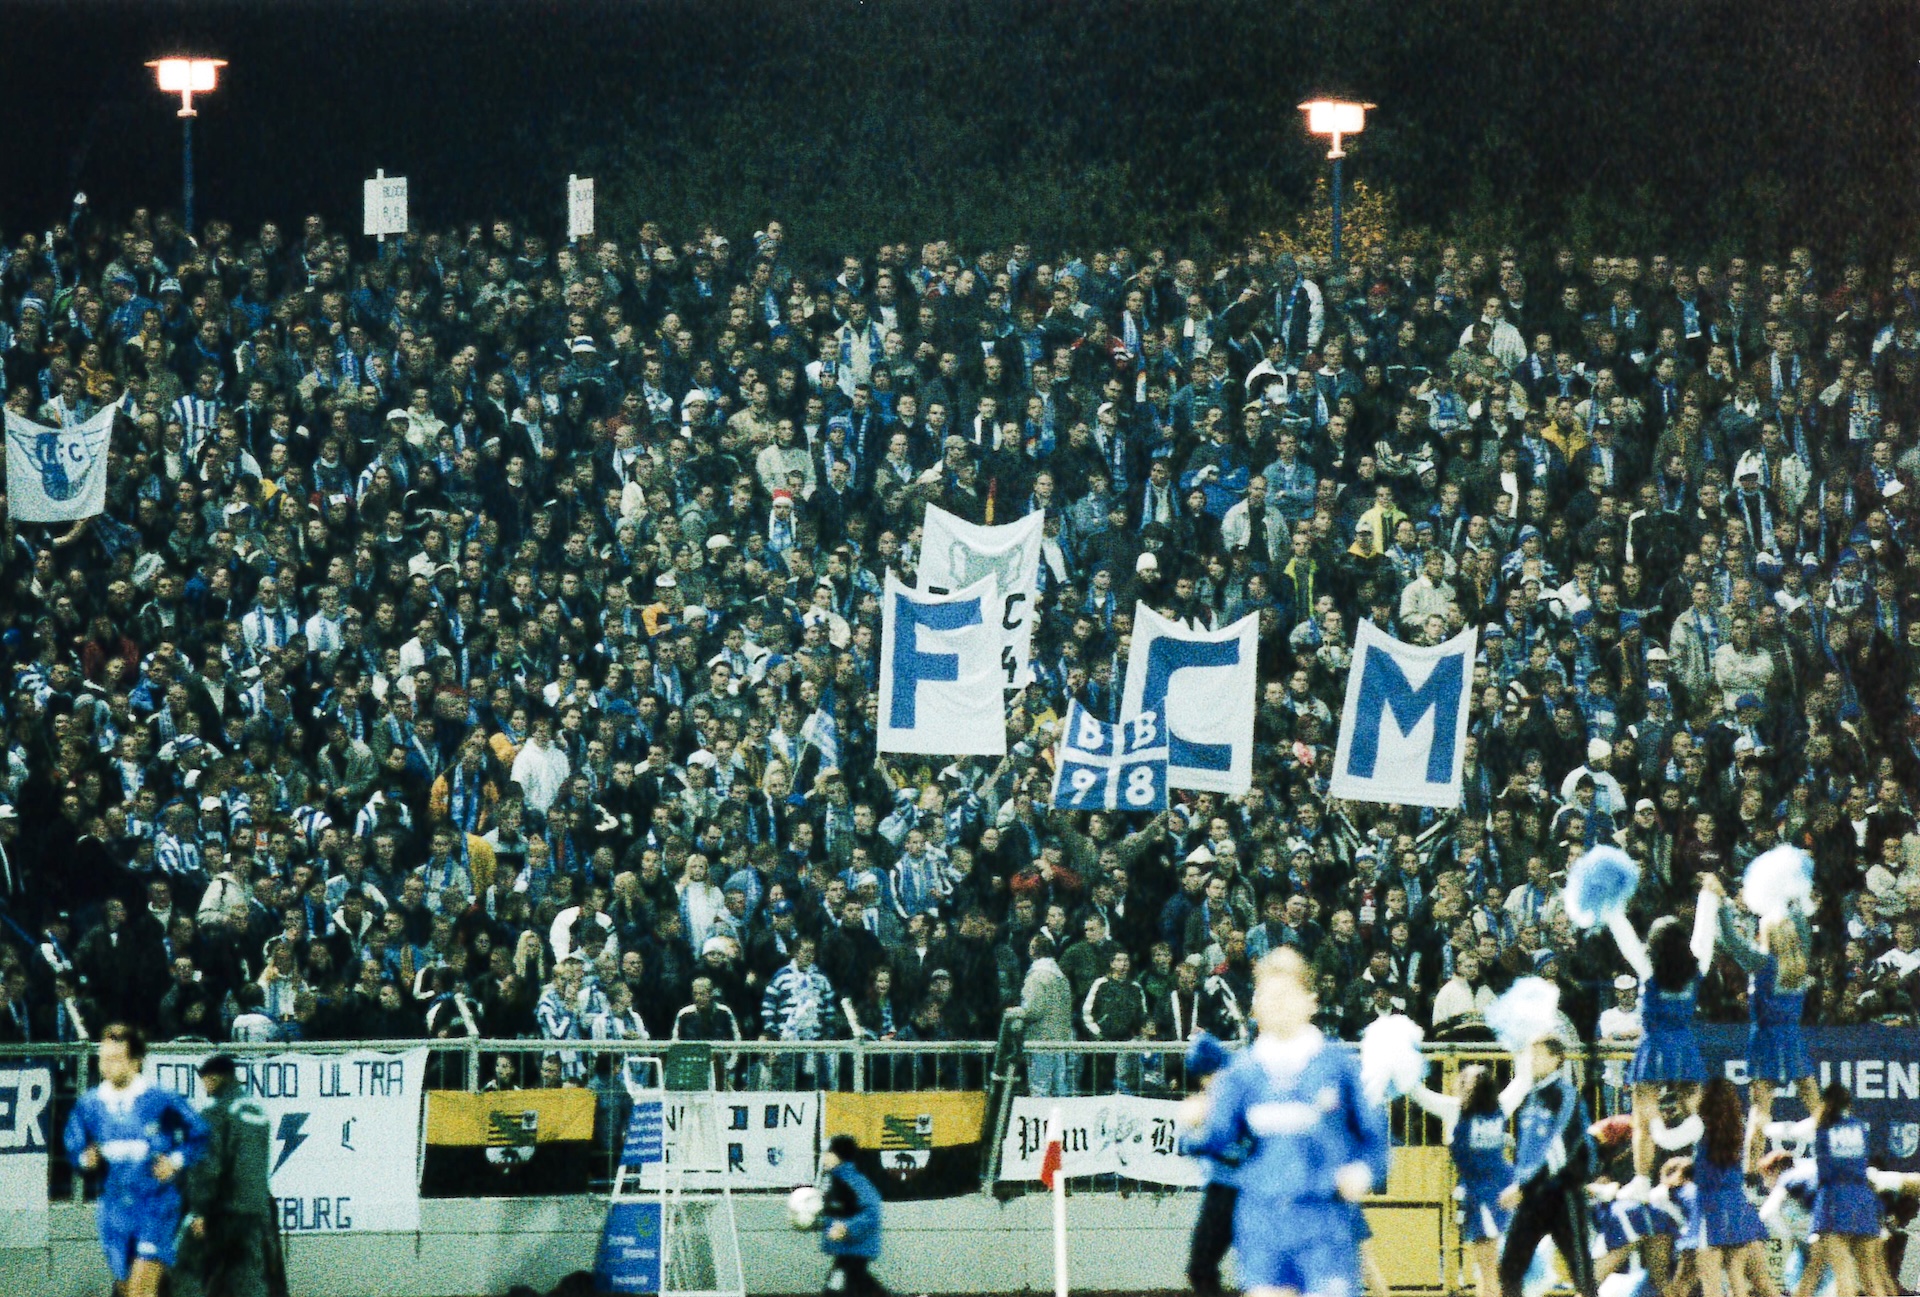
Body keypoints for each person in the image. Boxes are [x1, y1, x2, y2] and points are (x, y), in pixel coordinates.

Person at [1184, 948, 1388, 1297]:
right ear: (1255, 1005)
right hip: (1262, 1222)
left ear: (1310, 1001)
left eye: (1288, 993)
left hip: (1325, 1221)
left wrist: (1363, 1172)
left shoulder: (1338, 1067)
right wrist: (1191, 1127)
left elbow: (1375, 1142)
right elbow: (1215, 1140)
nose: (1277, 1002)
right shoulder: (1241, 1075)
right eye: (1267, 993)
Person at [62, 1024, 209, 1297]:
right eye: (103, 1059)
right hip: (114, 1208)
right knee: (126, 1288)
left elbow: (200, 1133)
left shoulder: (159, 1099)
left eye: (115, 1059)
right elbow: (75, 1146)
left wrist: (176, 1160)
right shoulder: (91, 1104)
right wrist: (85, 1160)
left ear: (135, 1061)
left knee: (143, 1288)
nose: (107, 1066)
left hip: (155, 1204)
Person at [1704, 872, 1819, 1170]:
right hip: (1792, 1039)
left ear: (1767, 934)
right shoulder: (1802, 957)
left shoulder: (1762, 962)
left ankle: (1750, 1172)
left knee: (1760, 1109)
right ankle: (1839, 1161)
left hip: (1766, 1040)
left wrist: (1723, 901)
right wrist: (1791, 896)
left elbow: (1730, 939)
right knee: (1817, 1108)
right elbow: (1803, 926)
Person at [1608, 888, 1716, 1196]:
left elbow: (1625, 938)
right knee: (1698, 1111)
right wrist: (1708, 896)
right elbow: (1704, 933)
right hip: (1684, 1044)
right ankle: (1708, 1172)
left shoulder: (1648, 968)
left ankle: (1642, 1179)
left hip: (1654, 1046)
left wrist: (1610, 906)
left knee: (1643, 1118)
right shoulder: (1697, 967)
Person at [174, 1054, 284, 1297]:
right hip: (255, 1209)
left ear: (215, 1077)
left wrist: (199, 1210)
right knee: (248, 1278)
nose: (205, 1087)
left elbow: (208, 1167)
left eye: (205, 1080)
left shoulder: (216, 1112)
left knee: (185, 1269)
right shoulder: (257, 1112)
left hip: (222, 1210)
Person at [1498, 1033, 1597, 1297]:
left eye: (1539, 1054)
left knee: (1580, 1269)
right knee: (1510, 1267)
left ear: (1556, 1059)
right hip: (1531, 1196)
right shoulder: (1530, 1095)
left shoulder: (1565, 1094)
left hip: (1562, 1194)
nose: (1532, 1061)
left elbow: (1559, 1150)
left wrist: (1525, 1186)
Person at [1408, 1065, 1519, 1297]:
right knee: (1487, 1271)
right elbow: (1522, 1082)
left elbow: (1418, 1093)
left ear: (1476, 1088)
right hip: (1499, 1193)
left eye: (1465, 1080)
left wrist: (1401, 1070)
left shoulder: (1455, 1111)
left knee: (1490, 1272)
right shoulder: (1499, 1108)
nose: (1458, 1082)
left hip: (1487, 1198)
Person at [1684, 1078, 1778, 1297]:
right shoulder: (1739, 1126)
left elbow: (1667, 1138)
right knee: (1747, 1282)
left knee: (1713, 1286)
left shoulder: (1699, 1127)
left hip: (1710, 1208)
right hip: (1738, 1207)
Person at [1180, 1032, 1242, 1297]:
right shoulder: (1231, 1090)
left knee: (1201, 1267)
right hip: (1232, 1189)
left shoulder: (1230, 1095)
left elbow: (1223, 1146)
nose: (1204, 1082)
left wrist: (1192, 1137)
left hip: (1230, 1191)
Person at [818, 1134, 886, 1296]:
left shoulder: (854, 1181)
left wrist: (846, 1228)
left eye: (827, 1153)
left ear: (838, 1156)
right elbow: (836, 1212)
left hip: (857, 1247)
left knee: (838, 1288)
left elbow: (872, 1212)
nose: (824, 1158)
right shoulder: (835, 1181)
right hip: (847, 1250)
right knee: (857, 1286)